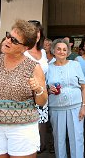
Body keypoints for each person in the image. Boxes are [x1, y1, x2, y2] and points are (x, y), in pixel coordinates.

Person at [0, 19, 48, 158]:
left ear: (25, 48)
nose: (8, 41)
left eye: (14, 41)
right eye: (8, 36)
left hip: (22, 128)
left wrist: (38, 89)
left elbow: (42, 101)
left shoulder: (33, 67)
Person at [47, 38, 85, 158]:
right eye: (58, 49)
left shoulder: (75, 65)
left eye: (64, 49)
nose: (61, 52)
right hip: (56, 108)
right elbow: (43, 88)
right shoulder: (48, 68)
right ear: (53, 50)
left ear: (68, 52)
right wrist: (49, 90)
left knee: (77, 138)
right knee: (59, 140)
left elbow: (84, 87)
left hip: (75, 108)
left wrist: (83, 107)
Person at [24, 20, 49, 154]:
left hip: (42, 94)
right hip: (27, 97)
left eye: (38, 31)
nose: (36, 34)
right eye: (32, 30)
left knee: (40, 129)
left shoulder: (43, 52)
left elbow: (46, 75)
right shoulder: (22, 51)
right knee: (28, 132)